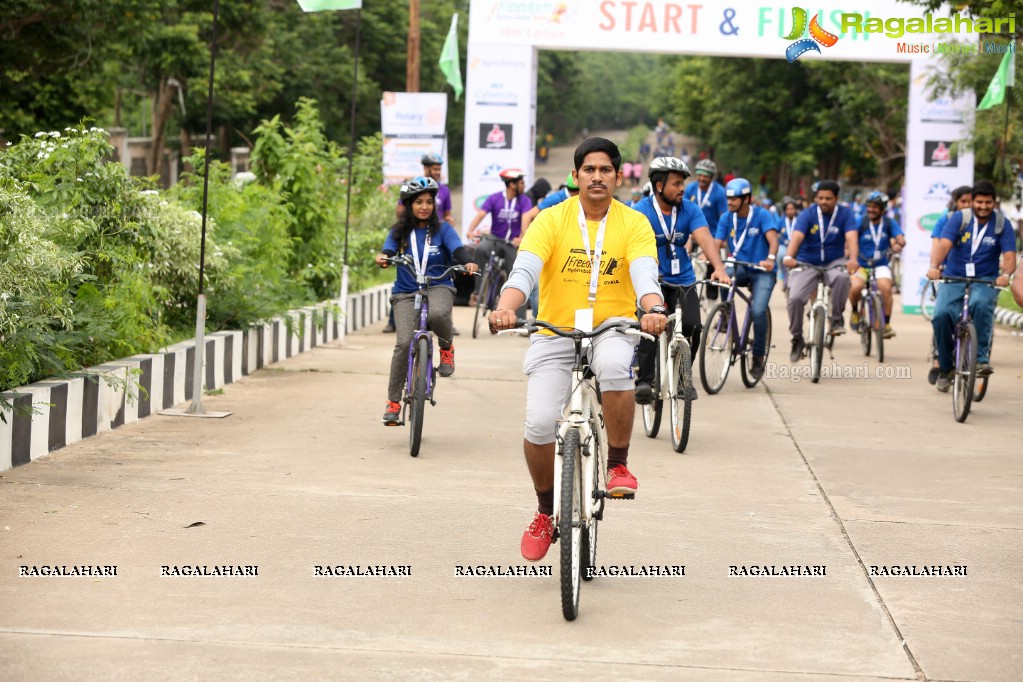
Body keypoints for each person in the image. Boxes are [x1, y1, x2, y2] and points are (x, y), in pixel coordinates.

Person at [487, 137, 669, 562]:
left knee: (613, 365)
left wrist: (654, 308)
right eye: (589, 169)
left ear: (618, 177)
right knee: (537, 423)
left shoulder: (634, 223)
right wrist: (504, 308)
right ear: (576, 175)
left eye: (606, 170)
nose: (597, 177)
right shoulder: (550, 220)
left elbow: (645, 275)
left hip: (613, 326)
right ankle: (545, 511)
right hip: (555, 330)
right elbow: (525, 271)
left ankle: (618, 463)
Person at [375, 177, 478, 424]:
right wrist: (385, 257)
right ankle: (393, 402)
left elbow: (457, 249)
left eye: (429, 202)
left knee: (439, 315)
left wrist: (467, 261)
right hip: (406, 292)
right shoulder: (399, 231)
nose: (424, 206)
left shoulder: (443, 230)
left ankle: (446, 348)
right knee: (402, 343)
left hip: (439, 285)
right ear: (409, 205)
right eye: (419, 202)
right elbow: (388, 249)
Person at [633, 157, 729, 403]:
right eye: (676, 184)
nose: (682, 189)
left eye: (682, 183)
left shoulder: (690, 209)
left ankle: (682, 376)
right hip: (652, 281)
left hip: (683, 278)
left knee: (693, 327)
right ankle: (645, 381)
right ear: (659, 186)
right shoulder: (640, 211)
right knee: (650, 328)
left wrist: (718, 268)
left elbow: (705, 238)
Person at [927, 180, 1016, 391]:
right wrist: (934, 266)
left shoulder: (1002, 224)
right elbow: (945, 244)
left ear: (994, 202)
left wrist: (1005, 274)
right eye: (979, 202)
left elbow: (1010, 255)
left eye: (988, 202)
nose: (983, 206)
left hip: (985, 279)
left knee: (981, 305)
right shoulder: (959, 219)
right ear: (972, 202)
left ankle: (981, 358)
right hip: (954, 277)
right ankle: (946, 366)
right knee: (941, 315)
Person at [782, 180, 859, 362]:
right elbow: (797, 236)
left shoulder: (845, 214)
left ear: (836, 198)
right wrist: (788, 256)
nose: (823, 202)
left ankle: (837, 319)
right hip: (807, 261)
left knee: (841, 278)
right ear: (815, 198)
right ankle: (797, 338)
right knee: (795, 298)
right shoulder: (807, 214)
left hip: (834, 261)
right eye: (820, 198)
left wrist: (853, 259)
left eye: (828, 198)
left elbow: (851, 237)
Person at [714, 178, 777, 380]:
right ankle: (725, 312)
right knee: (722, 276)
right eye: (728, 199)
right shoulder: (726, 218)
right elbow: (717, 242)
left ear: (747, 199)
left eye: (734, 199)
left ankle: (758, 355)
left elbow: (773, 240)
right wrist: (709, 254)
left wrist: (771, 258)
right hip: (739, 268)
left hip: (761, 271)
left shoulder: (762, 215)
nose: (730, 202)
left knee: (758, 311)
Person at [466, 168, 533, 311]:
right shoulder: (494, 198)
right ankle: (478, 291)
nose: (524, 185)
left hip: (512, 243)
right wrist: (470, 230)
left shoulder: (525, 201)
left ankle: (518, 318)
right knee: (480, 249)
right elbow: (480, 215)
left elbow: (525, 221)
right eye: (521, 183)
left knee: (518, 274)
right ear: (512, 184)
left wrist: (522, 238)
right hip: (495, 239)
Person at [519, 172, 581, 315]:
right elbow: (527, 215)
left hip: (572, 247)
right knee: (538, 288)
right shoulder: (556, 199)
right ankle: (538, 321)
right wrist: (526, 240)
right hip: (549, 246)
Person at [849, 191, 905, 338]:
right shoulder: (860, 221)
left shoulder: (889, 223)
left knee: (886, 288)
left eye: (875, 207)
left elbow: (899, 238)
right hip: (861, 265)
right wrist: (848, 254)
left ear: (882, 209)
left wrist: (899, 243)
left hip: (881, 265)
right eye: (869, 206)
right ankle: (855, 312)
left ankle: (886, 324)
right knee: (855, 287)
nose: (871, 210)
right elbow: (850, 238)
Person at [684, 159, 729, 299]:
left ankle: (712, 306)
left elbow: (724, 217)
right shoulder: (690, 189)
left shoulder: (720, 192)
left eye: (706, 175)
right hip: (692, 236)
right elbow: (683, 213)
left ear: (712, 177)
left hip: (713, 237)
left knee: (712, 271)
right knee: (689, 266)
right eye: (700, 174)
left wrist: (722, 240)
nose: (702, 178)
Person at [776, 199, 799, 290]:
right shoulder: (781, 221)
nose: (790, 211)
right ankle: (782, 273)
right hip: (784, 245)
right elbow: (776, 233)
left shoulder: (800, 220)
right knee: (781, 254)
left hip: (797, 246)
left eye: (792, 208)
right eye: (788, 209)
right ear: (785, 210)